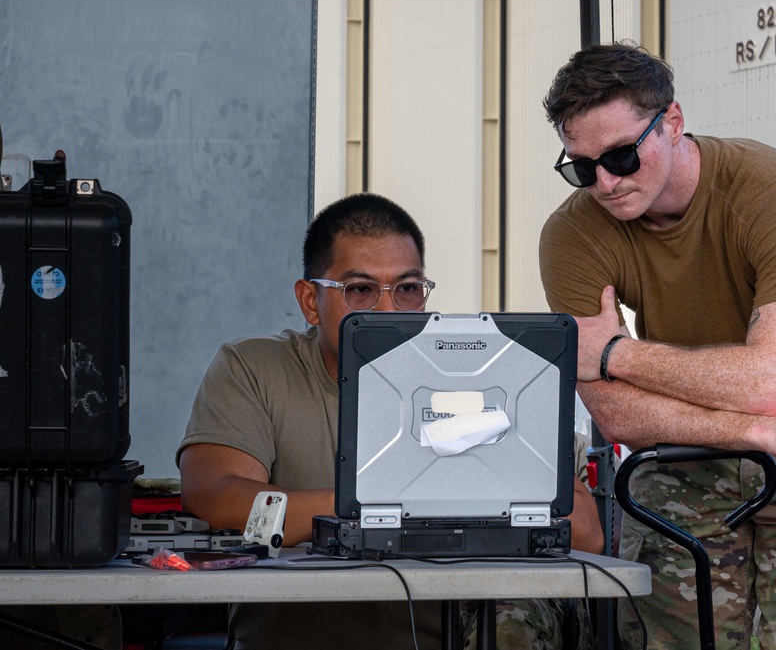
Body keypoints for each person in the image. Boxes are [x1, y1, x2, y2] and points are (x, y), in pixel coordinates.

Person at [538, 42, 776, 650]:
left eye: (622, 156)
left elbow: (774, 386)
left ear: (672, 121)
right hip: (688, 451)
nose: (605, 182)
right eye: (582, 167)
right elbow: (616, 414)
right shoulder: (572, 235)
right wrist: (760, 431)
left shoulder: (773, 191)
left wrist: (617, 355)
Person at [177, 192, 603, 650]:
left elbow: (586, 532)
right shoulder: (255, 368)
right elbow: (213, 495)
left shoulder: (477, 371)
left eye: (407, 289)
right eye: (360, 290)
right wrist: (371, 505)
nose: (388, 312)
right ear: (310, 301)